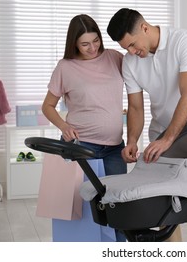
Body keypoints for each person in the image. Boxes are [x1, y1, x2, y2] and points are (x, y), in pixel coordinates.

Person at [107, 8, 187, 242]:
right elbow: (135, 107)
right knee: (164, 203)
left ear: (144, 27)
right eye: (126, 49)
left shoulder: (184, 41)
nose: (132, 52)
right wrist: (132, 140)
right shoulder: (131, 62)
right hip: (161, 134)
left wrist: (168, 139)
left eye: (133, 45)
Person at [42, 14, 127, 242]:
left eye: (96, 40)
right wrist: (63, 125)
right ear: (74, 44)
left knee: (119, 208)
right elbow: (48, 106)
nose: (92, 48)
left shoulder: (114, 58)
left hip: (114, 148)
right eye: (85, 44)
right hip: (79, 147)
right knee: (81, 213)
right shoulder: (65, 67)